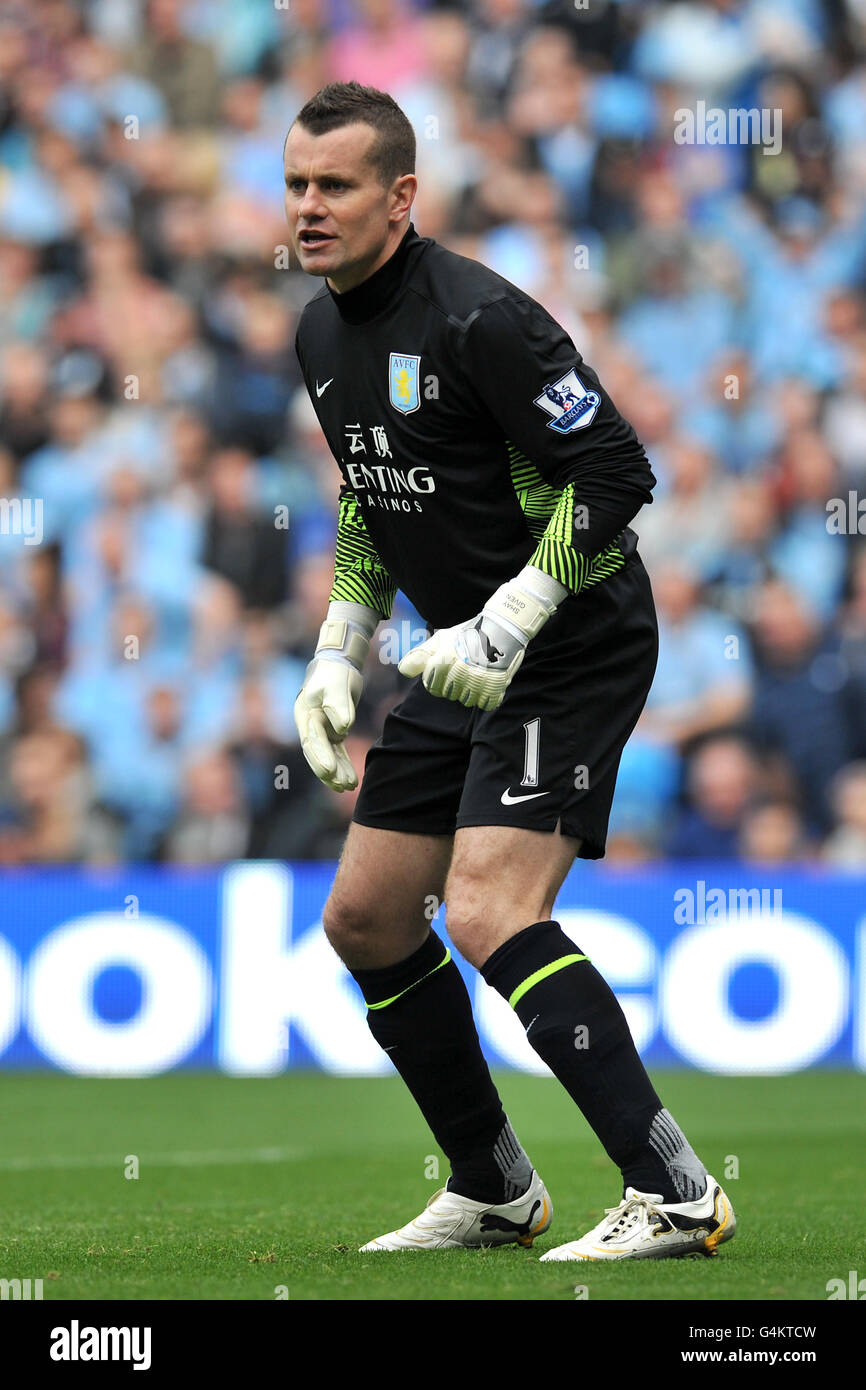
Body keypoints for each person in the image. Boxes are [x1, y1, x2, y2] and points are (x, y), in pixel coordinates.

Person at [288, 80, 736, 1261]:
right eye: (294, 185)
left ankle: (676, 1191)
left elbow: (617, 472)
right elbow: (369, 500)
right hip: (458, 653)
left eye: (333, 186)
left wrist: (513, 612)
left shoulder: (481, 318)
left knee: (488, 909)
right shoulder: (318, 332)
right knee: (368, 918)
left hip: (568, 635)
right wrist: (338, 647)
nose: (307, 208)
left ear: (400, 197)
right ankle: (492, 1186)